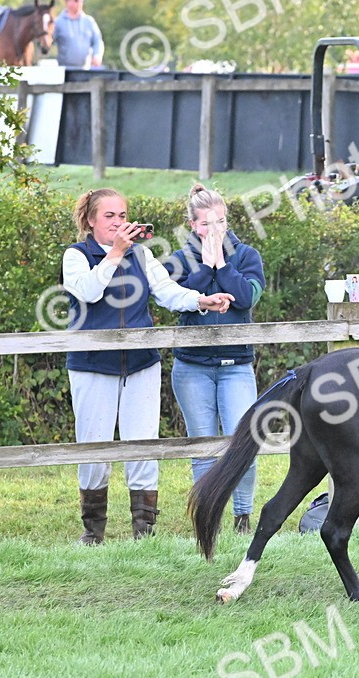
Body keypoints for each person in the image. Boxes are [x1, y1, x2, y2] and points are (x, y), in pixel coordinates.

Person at [62, 188, 227, 545]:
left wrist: (201, 300)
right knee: (93, 446)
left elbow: (167, 292)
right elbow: (88, 292)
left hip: (141, 363)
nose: (119, 223)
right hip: (92, 365)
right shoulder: (76, 256)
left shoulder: (142, 254)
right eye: (109, 216)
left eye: (122, 216)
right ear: (90, 221)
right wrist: (115, 254)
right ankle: (93, 530)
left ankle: (144, 530)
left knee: (143, 443)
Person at [165, 185, 266, 536]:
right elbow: (175, 297)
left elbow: (245, 298)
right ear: (194, 226)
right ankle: (208, 518)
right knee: (203, 445)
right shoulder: (178, 259)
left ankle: (242, 516)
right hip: (192, 367)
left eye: (221, 221)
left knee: (242, 440)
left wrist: (221, 264)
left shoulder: (247, 255)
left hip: (235, 366)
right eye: (207, 224)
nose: (216, 229)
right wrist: (205, 268)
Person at [52, 0, 103, 69]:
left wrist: (97, 55)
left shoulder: (89, 21)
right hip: (65, 70)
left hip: (85, 69)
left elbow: (97, 41)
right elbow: (49, 42)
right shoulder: (57, 22)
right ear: (67, 2)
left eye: (80, 1)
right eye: (75, 1)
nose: (78, 3)